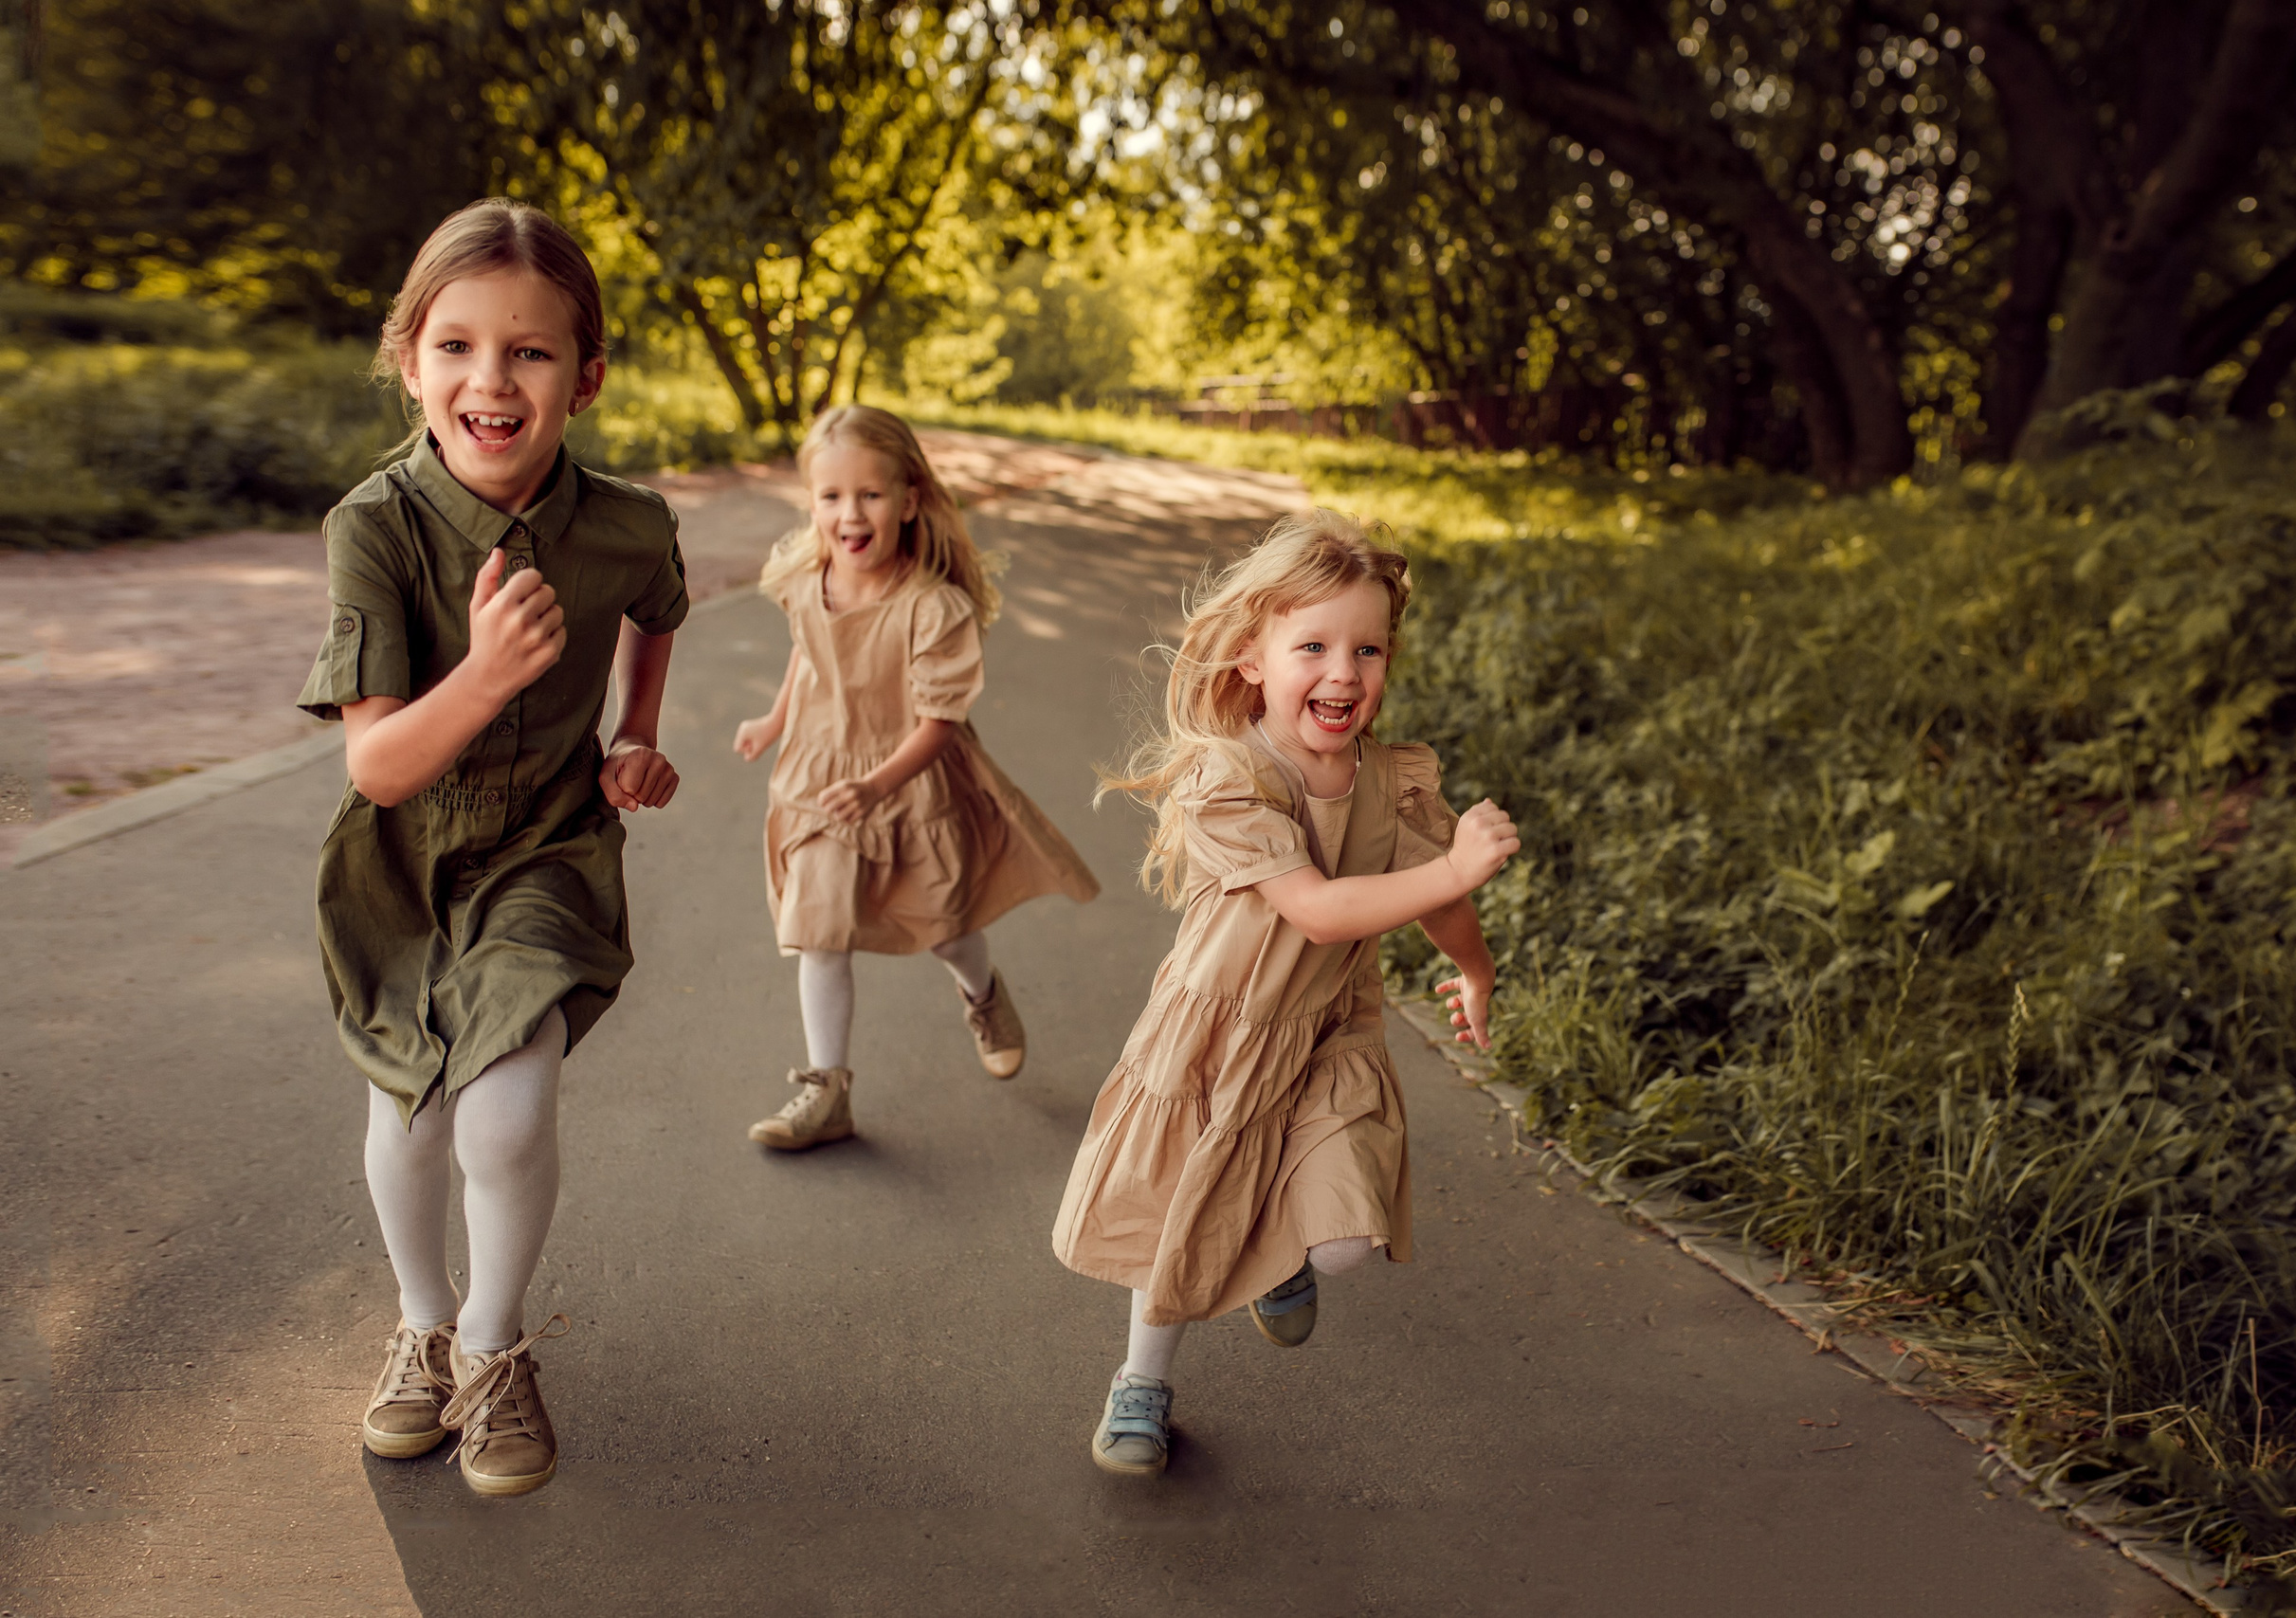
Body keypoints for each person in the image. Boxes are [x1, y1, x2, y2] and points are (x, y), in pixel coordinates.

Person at [297, 197, 688, 1498]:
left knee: (506, 1112)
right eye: (456, 344)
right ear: (411, 360)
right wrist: (486, 674)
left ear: (586, 375)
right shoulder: (375, 528)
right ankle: (419, 1322)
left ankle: (493, 1339)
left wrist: (634, 730)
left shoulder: (626, 521)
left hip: (547, 851)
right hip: (404, 861)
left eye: (528, 351)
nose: (491, 378)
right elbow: (376, 762)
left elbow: (657, 605)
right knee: (409, 1114)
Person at [1051, 510, 1519, 1477]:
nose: (1344, 673)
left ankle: (1285, 1258)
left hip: (1327, 1033)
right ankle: (1140, 1381)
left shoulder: (1392, 784)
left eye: (1368, 649)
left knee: (1348, 1237)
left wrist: (1473, 965)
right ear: (1250, 659)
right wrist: (1457, 872)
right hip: (1219, 1030)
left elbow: (1432, 901)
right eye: (1312, 646)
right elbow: (1319, 910)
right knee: (1188, 1208)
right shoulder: (1230, 779)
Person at [734, 404, 1099, 1149]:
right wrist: (774, 721)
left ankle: (983, 992)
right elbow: (810, 650)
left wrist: (877, 784)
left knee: (946, 927)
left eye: (870, 494)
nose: (849, 513)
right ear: (812, 502)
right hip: (821, 773)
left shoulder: (932, 608)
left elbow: (939, 724)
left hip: (910, 777)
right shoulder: (808, 577)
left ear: (908, 499)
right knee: (819, 929)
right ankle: (825, 1089)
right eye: (831, 496)